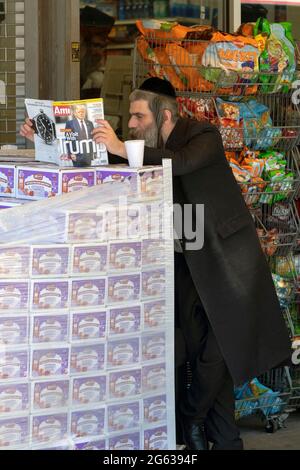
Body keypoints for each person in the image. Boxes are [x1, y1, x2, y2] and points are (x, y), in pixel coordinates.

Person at [20, 77, 291, 450]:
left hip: (228, 263)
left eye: (137, 117)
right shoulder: (142, 145)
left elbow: (179, 164)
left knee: (219, 352)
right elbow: (91, 155)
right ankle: (224, 440)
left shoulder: (204, 135)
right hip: (184, 264)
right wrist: (44, 136)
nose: (130, 125)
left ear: (164, 115)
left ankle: (191, 419)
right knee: (199, 352)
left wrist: (120, 146)